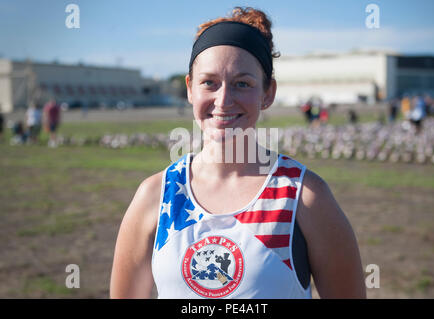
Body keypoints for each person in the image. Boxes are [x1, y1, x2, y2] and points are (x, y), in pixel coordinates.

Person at [110, 7, 366, 299]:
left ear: (267, 93)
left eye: (242, 84)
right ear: (190, 89)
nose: (224, 100)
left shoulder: (304, 197)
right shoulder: (156, 195)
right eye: (209, 83)